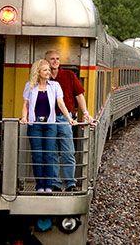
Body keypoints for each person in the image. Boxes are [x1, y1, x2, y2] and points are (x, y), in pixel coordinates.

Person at [20, 59, 77, 193]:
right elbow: (26, 105)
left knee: (50, 155)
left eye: (48, 70)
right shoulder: (29, 86)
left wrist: (69, 119)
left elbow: (60, 103)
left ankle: (49, 185)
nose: (48, 72)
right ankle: (40, 185)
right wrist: (24, 117)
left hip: (51, 125)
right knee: (37, 155)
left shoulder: (55, 85)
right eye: (45, 70)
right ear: (38, 72)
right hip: (35, 125)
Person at [45, 50, 95, 192]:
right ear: (46, 61)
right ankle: (55, 183)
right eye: (52, 59)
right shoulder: (43, 77)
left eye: (57, 59)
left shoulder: (68, 75)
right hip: (48, 120)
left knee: (68, 151)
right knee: (52, 152)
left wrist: (85, 113)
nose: (55, 61)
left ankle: (70, 183)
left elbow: (79, 95)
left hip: (64, 118)